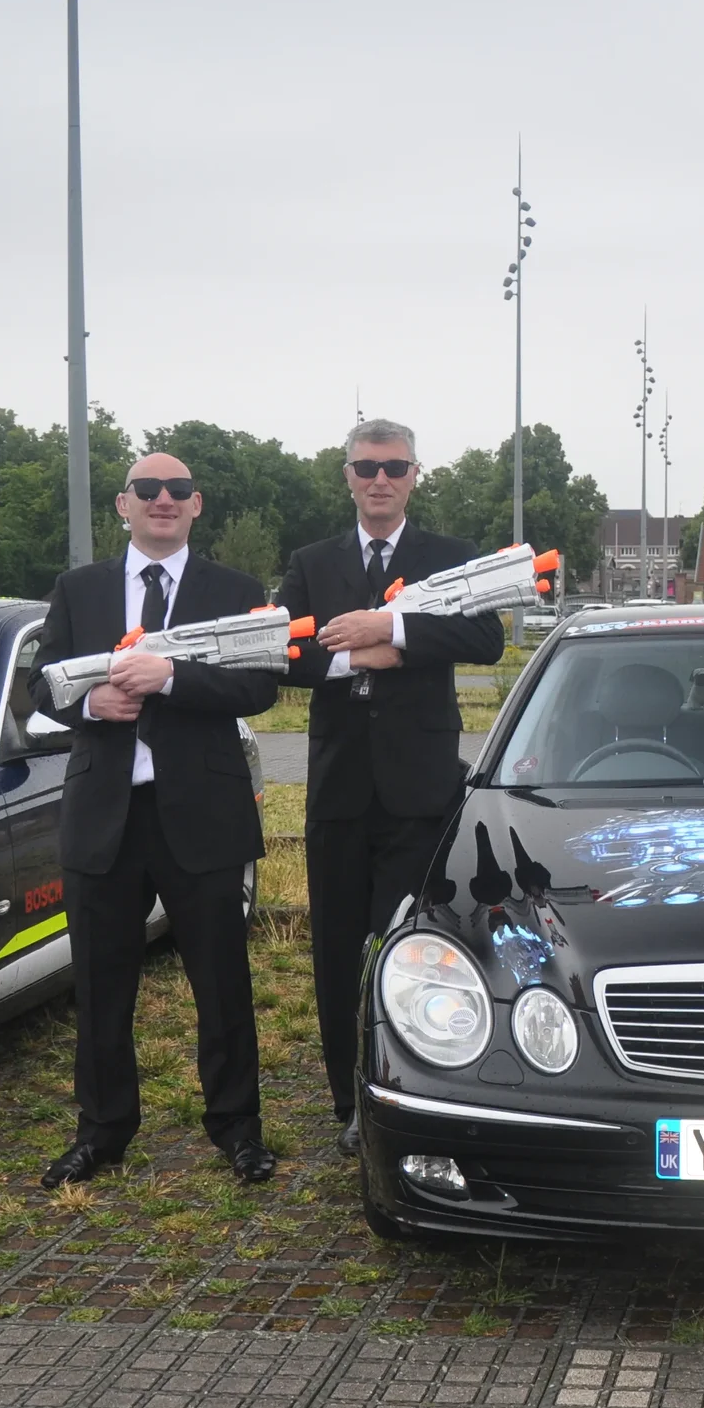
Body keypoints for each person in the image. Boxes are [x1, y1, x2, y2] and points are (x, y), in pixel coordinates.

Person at [32, 452, 279, 1188]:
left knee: (223, 983)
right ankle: (103, 1131)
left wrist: (171, 676)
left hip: (202, 815)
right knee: (101, 987)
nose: (162, 500)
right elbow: (42, 685)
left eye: (177, 491)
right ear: (122, 504)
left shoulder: (235, 591)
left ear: (197, 505)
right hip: (104, 816)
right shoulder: (79, 589)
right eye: (148, 490)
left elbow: (261, 684)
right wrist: (87, 703)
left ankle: (238, 1129)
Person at [277, 421, 505, 1155]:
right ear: (347, 474)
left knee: (408, 946)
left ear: (414, 475)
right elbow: (283, 654)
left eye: (394, 468)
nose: (380, 480)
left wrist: (394, 631)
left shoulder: (447, 558)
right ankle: (349, 1097)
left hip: (419, 790)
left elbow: (484, 639)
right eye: (367, 468)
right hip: (339, 788)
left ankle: (409, 1086)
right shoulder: (313, 563)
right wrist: (357, 656)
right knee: (339, 949)